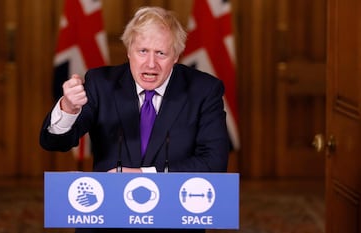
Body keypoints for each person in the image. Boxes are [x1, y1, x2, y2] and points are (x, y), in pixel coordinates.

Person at [40, 6, 230, 233]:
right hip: (106, 219)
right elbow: (55, 142)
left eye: (161, 53)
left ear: (176, 56)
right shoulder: (101, 83)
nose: (151, 63)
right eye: (142, 51)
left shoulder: (204, 90)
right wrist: (68, 108)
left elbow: (214, 163)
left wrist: (144, 176)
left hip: (173, 219)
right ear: (129, 50)